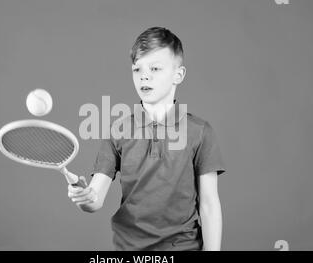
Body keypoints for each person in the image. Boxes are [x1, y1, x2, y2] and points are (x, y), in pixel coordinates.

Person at [67, 27, 226, 251]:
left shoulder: (200, 131)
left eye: (155, 68)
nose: (144, 75)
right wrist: (84, 196)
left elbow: (209, 204)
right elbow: (95, 200)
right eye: (137, 69)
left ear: (178, 75)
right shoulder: (118, 130)